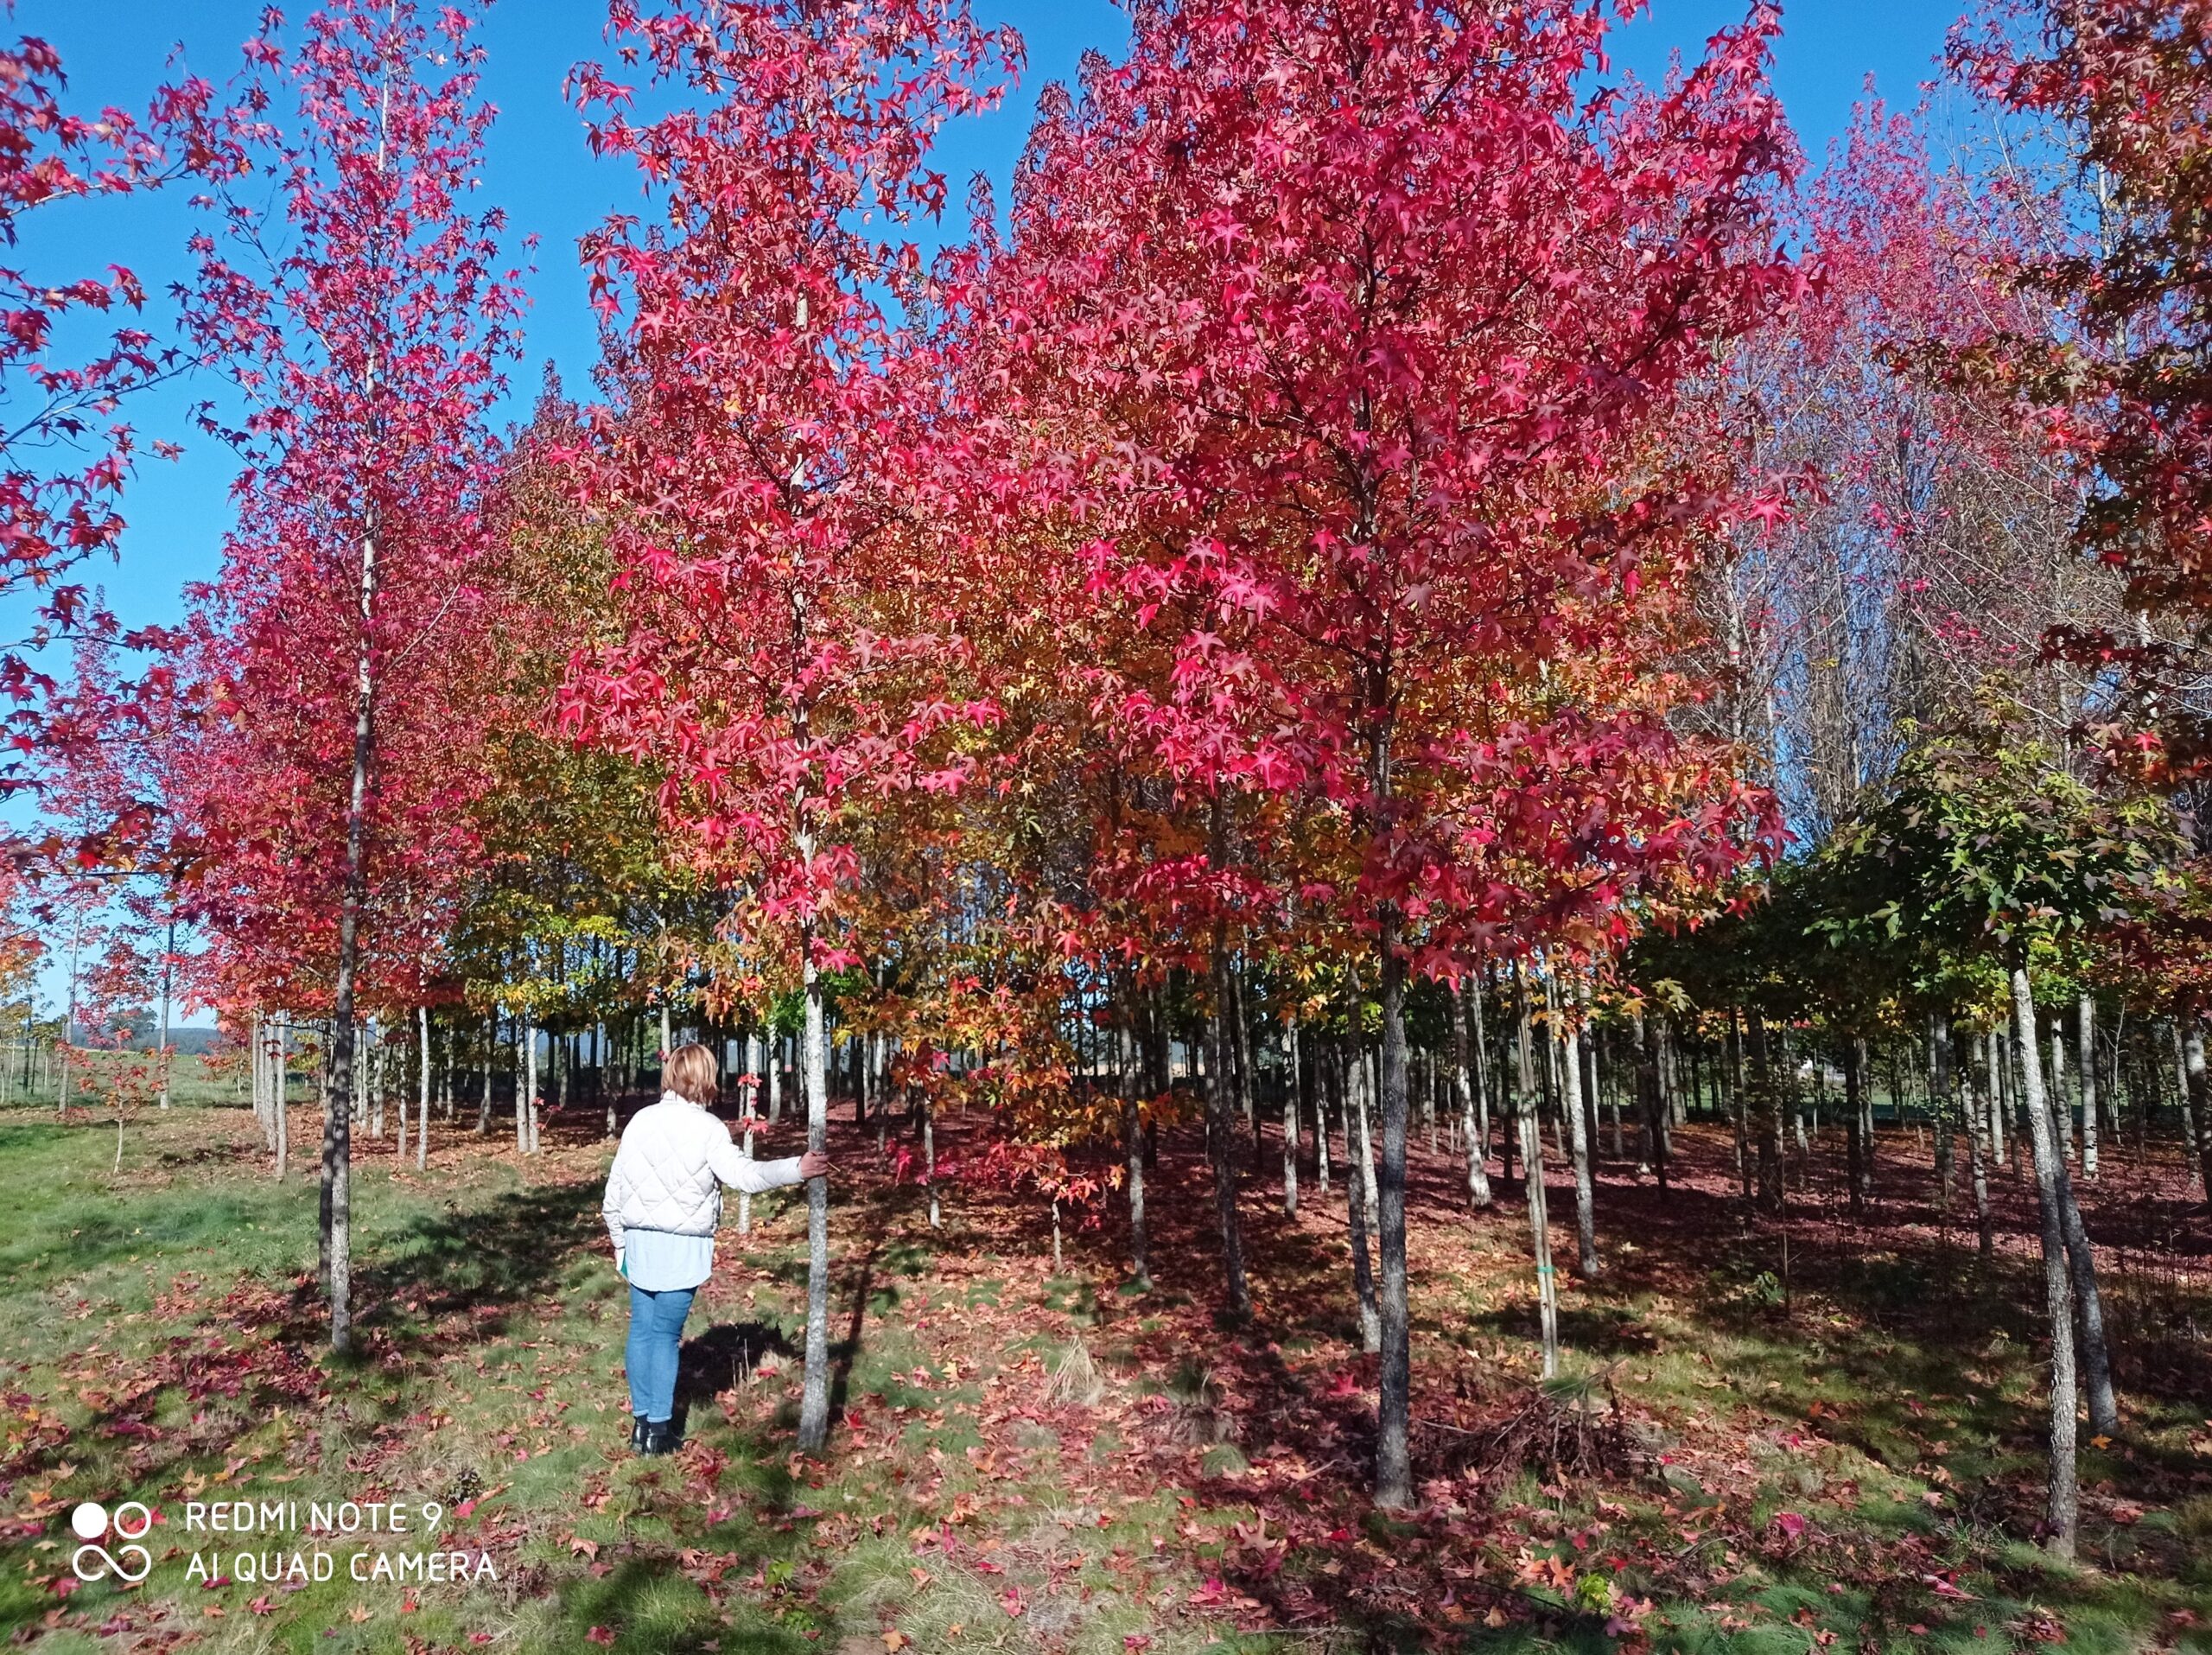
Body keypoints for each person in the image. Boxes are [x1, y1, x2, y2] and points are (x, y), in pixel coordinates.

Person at [601, 1041, 829, 1454]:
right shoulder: (708, 1129)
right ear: (705, 1078)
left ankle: (642, 1426)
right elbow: (745, 1176)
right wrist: (796, 1169)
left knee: (643, 1332)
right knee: (664, 1337)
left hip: (639, 1243)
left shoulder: (640, 1121)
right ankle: (658, 1431)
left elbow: (613, 1194)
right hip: (681, 1248)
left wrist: (621, 1245)